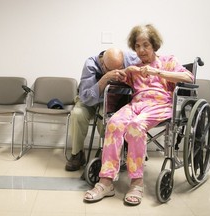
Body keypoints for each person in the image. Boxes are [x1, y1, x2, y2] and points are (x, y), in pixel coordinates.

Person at [83, 24, 194, 205]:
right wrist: (126, 71)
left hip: (160, 104)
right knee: (114, 123)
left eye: (145, 45)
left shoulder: (168, 61)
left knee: (135, 127)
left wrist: (157, 72)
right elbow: (120, 77)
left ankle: (136, 183)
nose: (141, 50)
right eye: (137, 46)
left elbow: (189, 78)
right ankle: (106, 181)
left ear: (154, 45)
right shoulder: (135, 67)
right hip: (137, 104)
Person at [65, 47, 139, 171]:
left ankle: (106, 153)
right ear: (103, 66)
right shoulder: (90, 64)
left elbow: (150, 59)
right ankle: (77, 154)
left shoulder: (130, 58)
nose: (117, 72)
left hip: (111, 100)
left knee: (106, 118)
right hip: (88, 101)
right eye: (112, 70)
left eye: (120, 68)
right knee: (77, 114)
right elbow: (86, 97)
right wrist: (105, 78)